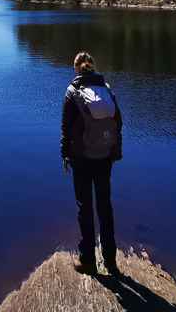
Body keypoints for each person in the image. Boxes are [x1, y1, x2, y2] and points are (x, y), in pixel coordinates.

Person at [60, 51, 123, 275]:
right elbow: (118, 122)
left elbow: (66, 129)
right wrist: (115, 151)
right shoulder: (106, 89)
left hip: (82, 157)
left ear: (76, 69)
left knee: (84, 208)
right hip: (104, 156)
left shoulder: (72, 91)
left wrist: (65, 154)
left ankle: (87, 259)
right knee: (105, 207)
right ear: (93, 67)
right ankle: (111, 260)